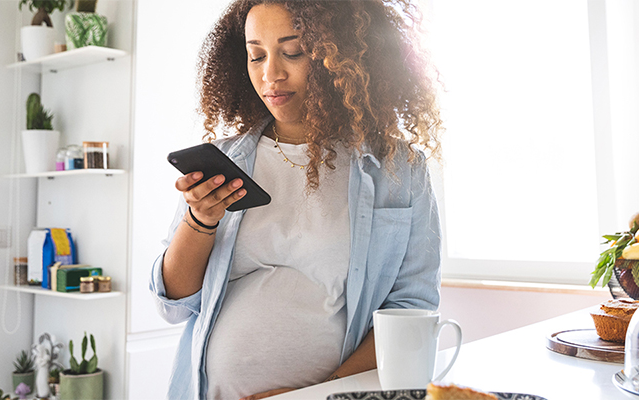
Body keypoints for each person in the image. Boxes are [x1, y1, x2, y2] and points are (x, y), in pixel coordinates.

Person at [150, 0, 443, 399]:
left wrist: (322, 395)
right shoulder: (227, 163)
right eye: (256, 56)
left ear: (342, 54)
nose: (270, 74)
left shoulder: (398, 170)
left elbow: (411, 311)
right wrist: (199, 220)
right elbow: (174, 304)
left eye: (293, 52)